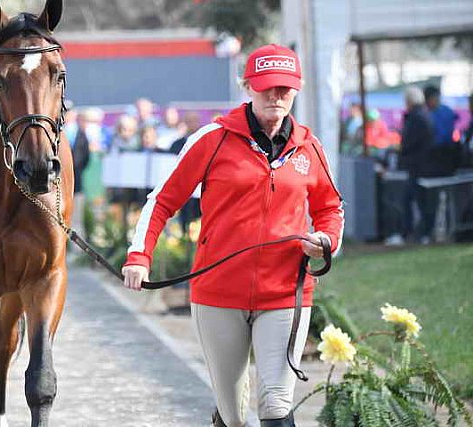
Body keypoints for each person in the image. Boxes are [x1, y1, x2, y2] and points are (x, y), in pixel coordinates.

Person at [121, 44, 344, 427]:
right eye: (266, 88)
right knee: (235, 415)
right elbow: (162, 202)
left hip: (286, 292)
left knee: (275, 405)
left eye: (285, 89)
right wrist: (139, 257)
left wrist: (325, 241)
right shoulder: (212, 139)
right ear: (248, 88)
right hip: (218, 293)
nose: (276, 96)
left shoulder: (310, 146)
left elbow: (330, 208)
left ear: (297, 90)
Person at [397, 86, 435, 245]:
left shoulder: (415, 118)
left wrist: (401, 150)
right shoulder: (424, 116)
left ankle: (417, 234)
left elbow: (408, 143)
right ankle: (417, 233)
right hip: (422, 165)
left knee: (416, 201)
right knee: (416, 201)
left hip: (417, 166)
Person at [423, 85, 458, 176]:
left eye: (436, 97)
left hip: (445, 153)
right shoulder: (424, 113)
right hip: (430, 156)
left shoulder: (446, 111)